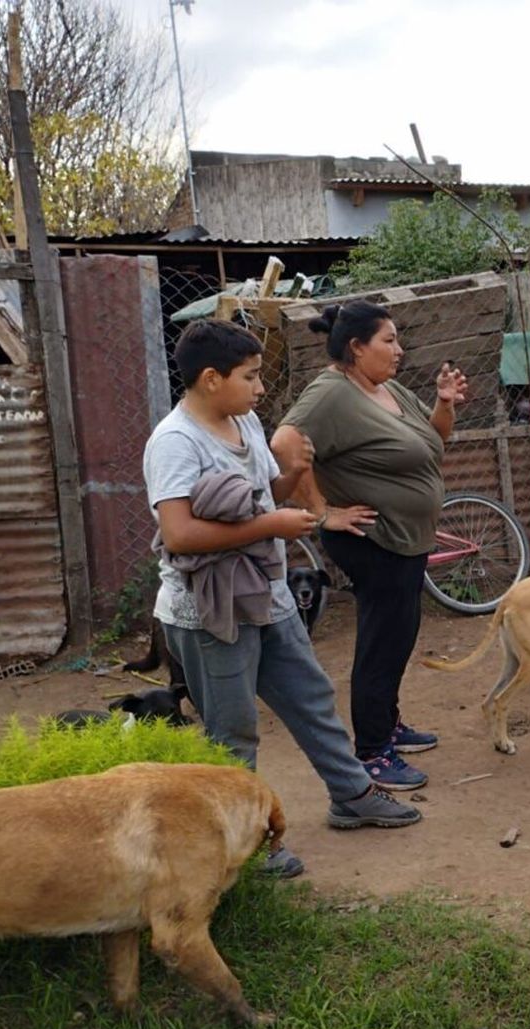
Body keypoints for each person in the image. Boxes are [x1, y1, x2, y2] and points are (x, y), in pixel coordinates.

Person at [142, 318, 422, 879]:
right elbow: (179, 534)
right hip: (209, 611)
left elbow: (260, 501)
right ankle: (240, 845)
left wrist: (293, 475)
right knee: (232, 728)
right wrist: (272, 522)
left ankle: (352, 794)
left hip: (265, 592)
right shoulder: (174, 441)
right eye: (250, 377)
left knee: (311, 698)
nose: (261, 389)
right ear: (211, 379)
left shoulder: (242, 422)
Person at [270, 301, 468, 792]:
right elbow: (284, 445)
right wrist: (321, 511)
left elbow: (433, 444)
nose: (399, 350)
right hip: (372, 540)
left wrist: (443, 404)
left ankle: (388, 724)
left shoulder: (386, 388)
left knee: (399, 634)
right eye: (389, 341)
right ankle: (373, 752)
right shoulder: (331, 393)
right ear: (357, 348)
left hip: (404, 538)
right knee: (382, 642)